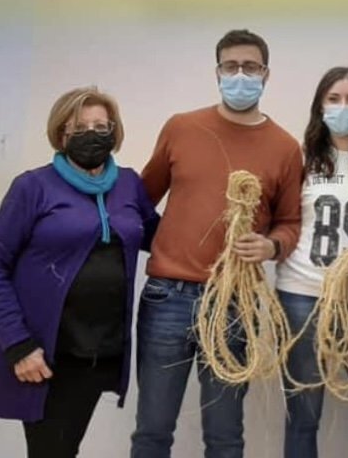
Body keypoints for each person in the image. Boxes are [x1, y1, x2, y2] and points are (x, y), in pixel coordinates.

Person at [130, 29, 304, 458]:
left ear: (266, 74)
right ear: (217, 72)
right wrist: (167, 244)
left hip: (235, 303)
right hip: (167, 297)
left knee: (225, 436)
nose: (240, 75)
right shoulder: (181, 128)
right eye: (231, 66)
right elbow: (138, 202)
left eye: (250, 67)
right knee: (152, 430)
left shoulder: (285, 147)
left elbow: (290, 222)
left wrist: (271, 247)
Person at [0, 87, 159, 457]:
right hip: (46, 353)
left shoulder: (128, 184)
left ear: (114, 131)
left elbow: (160, 236)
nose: (92, 134)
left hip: (100, 349)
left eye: (101, 126)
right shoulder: (32, 187)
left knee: (65, 447)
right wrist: (19, 344)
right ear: (61, 134)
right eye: (79, 127)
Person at [275, 66, 348, 458]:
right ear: (320, 106)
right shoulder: (299, 160)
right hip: (303, 296)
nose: (343, 107)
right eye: (334, 99)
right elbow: (282, 221)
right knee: (303, 416)